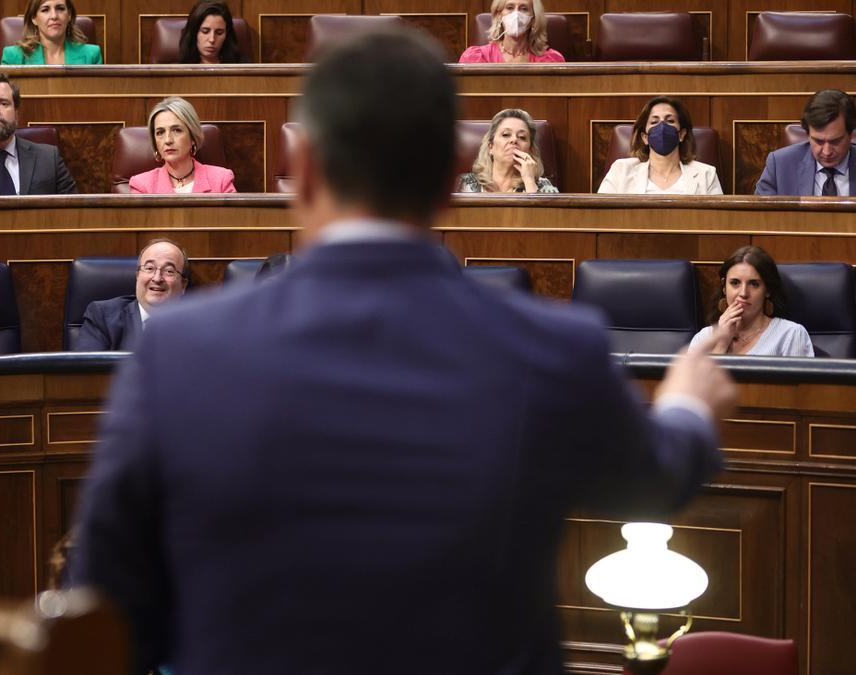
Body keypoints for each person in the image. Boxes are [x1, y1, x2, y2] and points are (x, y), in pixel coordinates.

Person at [71, 26, 734, 675]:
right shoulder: (554, 346)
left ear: (301, 172)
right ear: (450, 178)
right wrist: (685, 406)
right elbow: (658, 478)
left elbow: (102, 617)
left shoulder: (179, 353)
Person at [690, 246, 814, 356]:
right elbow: (691, 382)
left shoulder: (791, 335)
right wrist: (722, 342)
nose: (743, 293)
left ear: (767, 290)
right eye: (735, 283)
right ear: (724, 288)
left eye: (754, 284)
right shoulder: (703, 338)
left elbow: (802, 382)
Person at [72, 239, 189, 351]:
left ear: (183, 285)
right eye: (149, 268)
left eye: (169, 271)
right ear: (138, 276)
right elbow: (87, 370)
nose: (157, 278)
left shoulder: (197, 324)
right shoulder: (102, 316)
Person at [598, 96, 723, 195]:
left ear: (682, 134)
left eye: (670, 121)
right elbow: (601, 217)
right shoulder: (621, 171)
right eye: (654, 122)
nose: (662, 127)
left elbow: (717, 222)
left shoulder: (706, 174)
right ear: (645, 137)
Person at [756, 89, 856, 196]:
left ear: (851, 134)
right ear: (808, 134)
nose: (827, 152)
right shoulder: (779, 165)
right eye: (818, 141)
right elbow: (761, 213)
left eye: (835, 141)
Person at [128, 97, 236, 193]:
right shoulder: (142, 186)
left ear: (192, 137)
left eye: (177, 130)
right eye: (160, 132)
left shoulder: (221, 179)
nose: (168, 140)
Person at [458, 108, 558, 193]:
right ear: (490, 147)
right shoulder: (461, 184)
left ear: (530, 150)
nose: (514, 140)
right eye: (506, 135)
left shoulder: (543, 186)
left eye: (522, 137)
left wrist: (529, 181)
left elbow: (545, 216)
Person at [459, 0, 564, 63]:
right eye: (510, 8)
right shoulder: (476, 57)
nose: (516, 15)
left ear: (533, 19)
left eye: (524, 9)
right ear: (499, 15)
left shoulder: (550, 60)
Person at [1, 0, 103, 65]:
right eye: (45, 10)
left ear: (69, 15)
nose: (54, 16)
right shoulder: (13, 57)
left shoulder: (92, 55)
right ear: (34, 18)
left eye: (60, 8)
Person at [179, 1, 243, 64]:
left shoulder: (242, 66)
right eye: (205, 31)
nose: (212, 39)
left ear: (227, 35)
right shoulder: (176, 70)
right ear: (194, 33)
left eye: (219, 33)